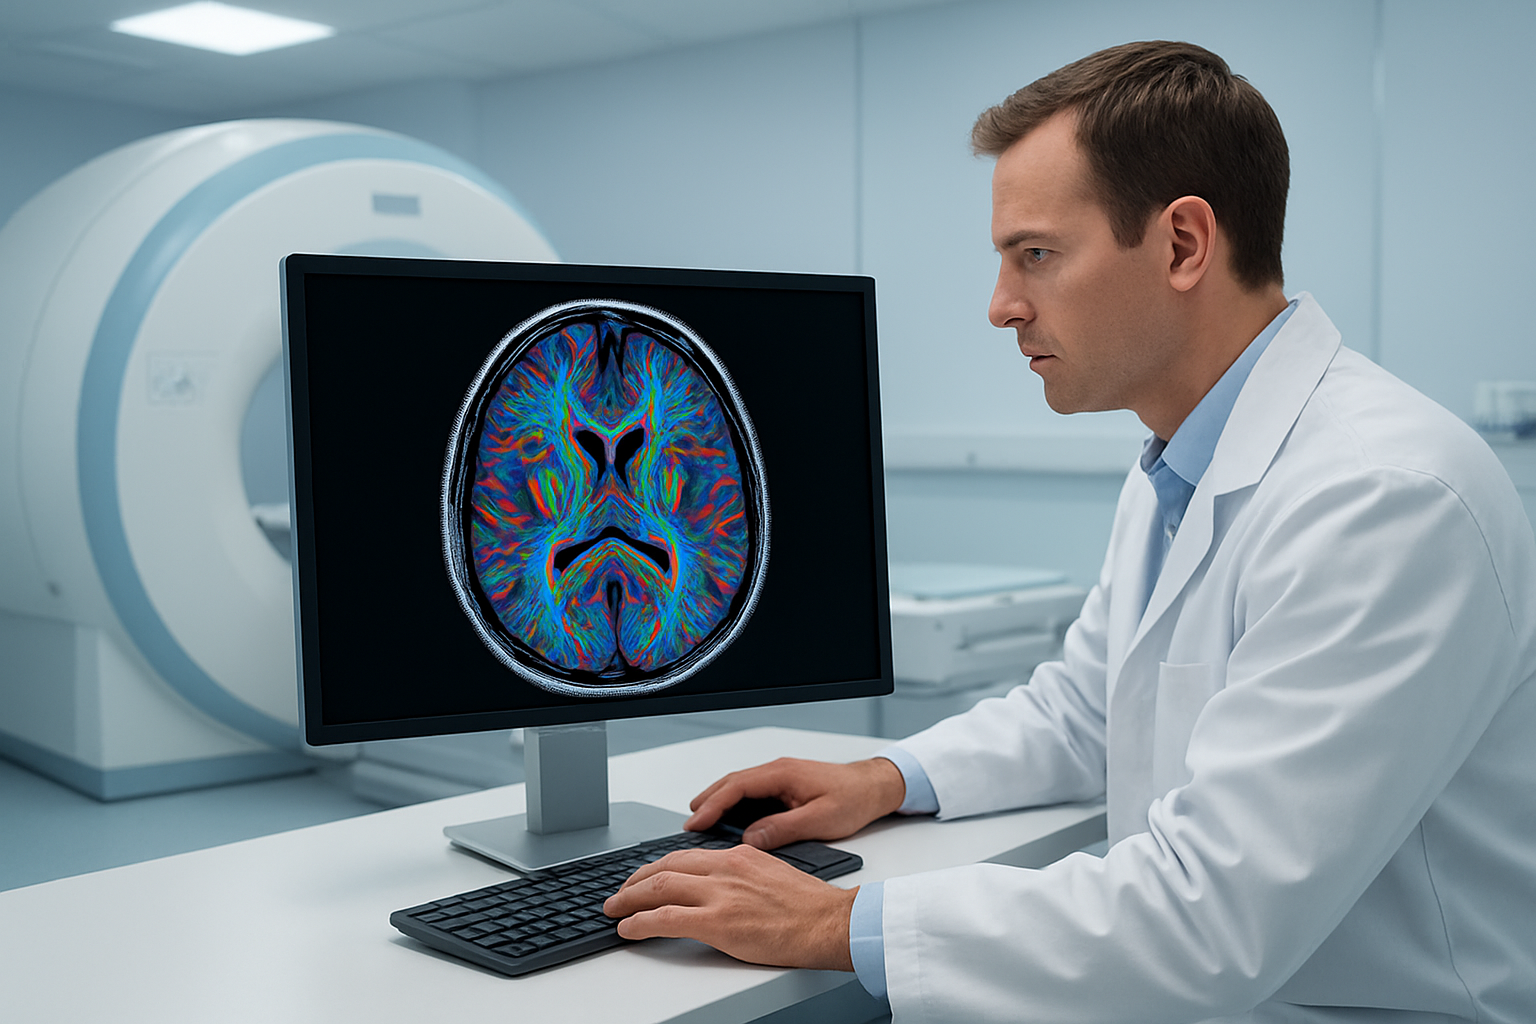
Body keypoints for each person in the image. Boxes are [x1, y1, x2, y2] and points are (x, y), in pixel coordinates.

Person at [603, 40, 1536, 1023]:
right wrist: (886, 776)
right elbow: (1089, 710)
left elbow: (1209, 917)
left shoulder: (1385, 497)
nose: (1003, 305)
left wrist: (833, 922)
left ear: (1183, 244)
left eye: (1035, 254)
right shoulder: (1181, 458)